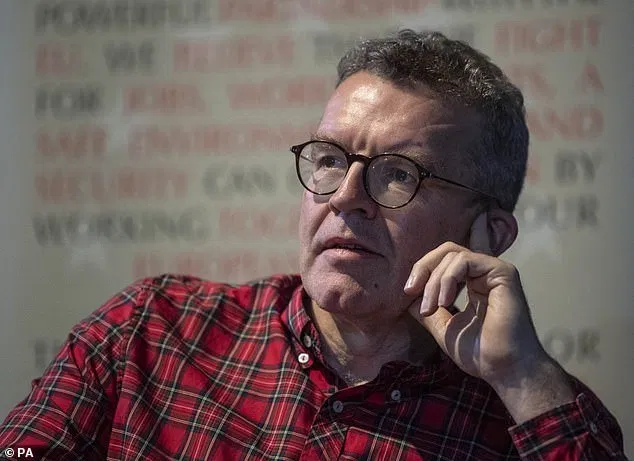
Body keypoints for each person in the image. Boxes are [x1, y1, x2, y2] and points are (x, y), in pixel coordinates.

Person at [0, 30, 626, 460]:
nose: (345, 197)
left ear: (488, 234)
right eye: (329, 159)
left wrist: (522, 377)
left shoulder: (530, 418)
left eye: (398, 174)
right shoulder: (151, 332)